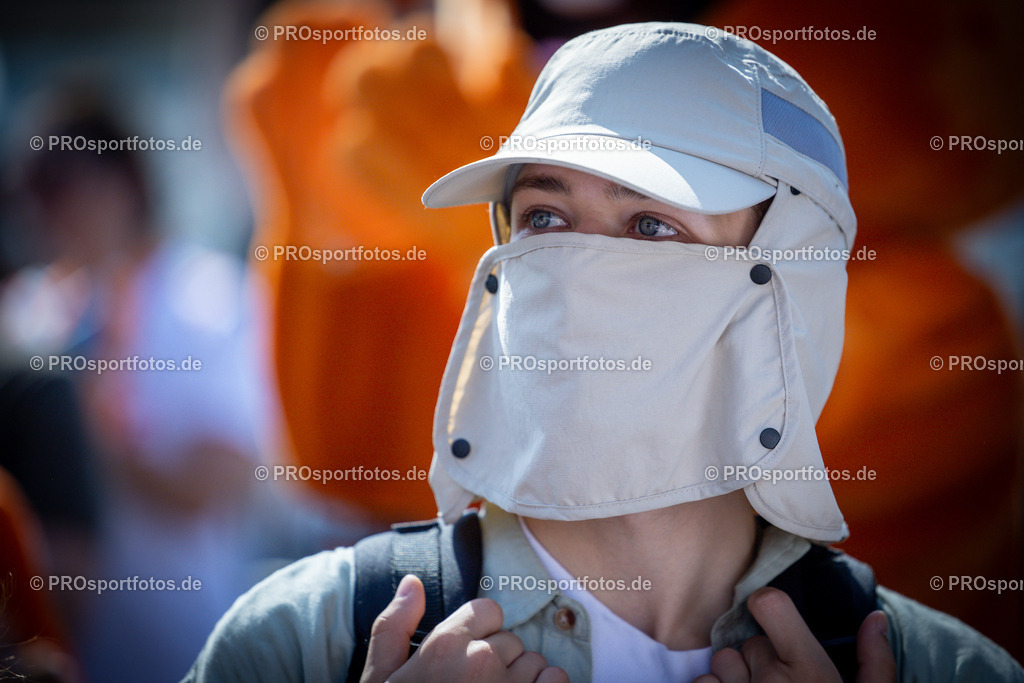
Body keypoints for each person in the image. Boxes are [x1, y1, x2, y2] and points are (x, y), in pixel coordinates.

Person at [184, 23, 1024, 682]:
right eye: (545, 218)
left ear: (789, 284)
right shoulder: (306, 636)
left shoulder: (943, 666)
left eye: (651, 223)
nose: (569, 269)